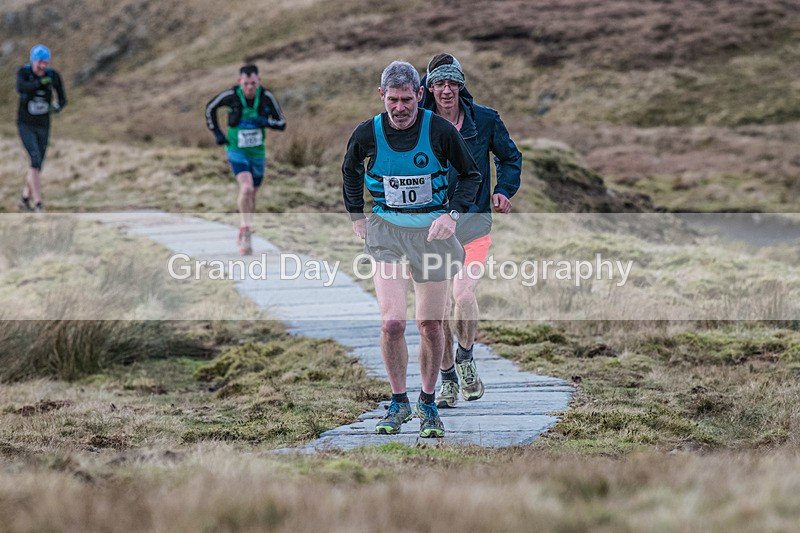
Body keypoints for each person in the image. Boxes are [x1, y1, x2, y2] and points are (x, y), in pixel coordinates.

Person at [342, 60, 481, 438]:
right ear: (381, 96)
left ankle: (428, 402)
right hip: (386, 233)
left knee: (431, 325)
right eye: (393, 100)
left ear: (421, 95)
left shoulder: (437, 130)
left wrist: (451, 215)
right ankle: (398, 402)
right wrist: (357, 217)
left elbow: (471, 175)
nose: (400, 108)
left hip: (431, 238)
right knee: (391, 322)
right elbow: (350, 171)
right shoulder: (367, 133)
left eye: (407, 99)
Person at [420, 53, 522, 408]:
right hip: (431, 230)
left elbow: (509, 158)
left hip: (474, 224)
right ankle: (447, 378)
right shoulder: (419, 123)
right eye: (439, 83)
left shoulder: (485, 119)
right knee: (439, 307)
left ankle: (465, 357)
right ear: (429, 87)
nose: (446, 90)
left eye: (452, 82)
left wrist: (503, 190)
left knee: (462, 296)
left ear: (461, 84)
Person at [205, 64, 286, 255]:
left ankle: (247, 234)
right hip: (235, 149)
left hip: (257, 153)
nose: (249, 87)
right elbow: (210, 108)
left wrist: (265, 121)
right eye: (246, 83)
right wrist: (217, 132)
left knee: (252, 195)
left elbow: (282, 123)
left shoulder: (266, 97)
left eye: (253, 83)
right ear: (239, 81)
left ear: (258, 81)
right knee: (246, 188)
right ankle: (244, 228)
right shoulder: (231, 96)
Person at [16, 44, 67, 212]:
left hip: (43, 125)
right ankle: (38, 204)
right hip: (25, 124)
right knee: (35, 159)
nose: (43, 66)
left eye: (46, 63)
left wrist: (57, 106)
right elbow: (21, 88)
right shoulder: (23, 73)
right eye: (39, 63)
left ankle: (25, 198)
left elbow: (62, 98)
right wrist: (39, 83)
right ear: (33, 61)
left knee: (38, 164)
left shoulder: (53, 76)